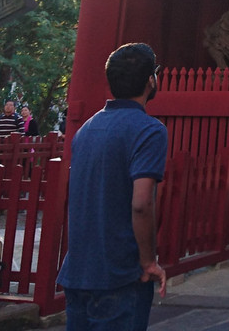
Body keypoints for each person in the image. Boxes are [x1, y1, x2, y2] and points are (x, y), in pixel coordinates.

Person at [57, 43, 167, 331]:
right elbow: (142, 203)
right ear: (150, 80)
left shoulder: (86, 130)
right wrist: (148, 261)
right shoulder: (149, 130)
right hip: (120, 272)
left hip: (78, 270)